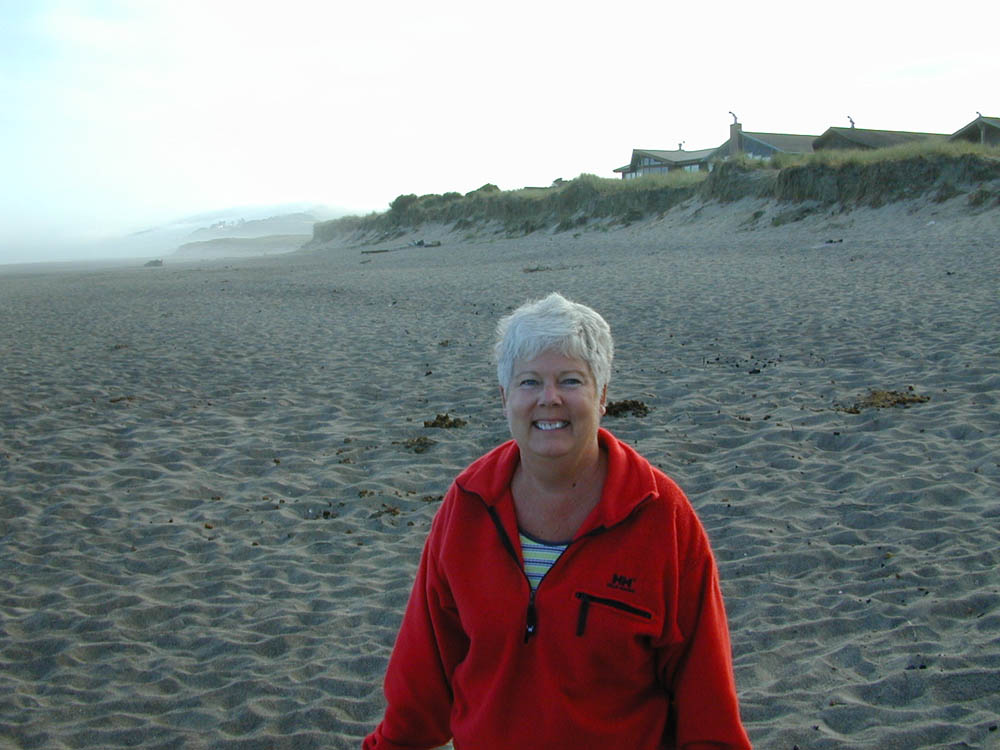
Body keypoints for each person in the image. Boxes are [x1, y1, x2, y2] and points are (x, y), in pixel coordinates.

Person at [363, 292, 751, 750]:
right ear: (505, 397)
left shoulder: (662, 516)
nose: (549, 399)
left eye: (570, 381)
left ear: (601, 396)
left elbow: (708, 711)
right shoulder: (467, 507)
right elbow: (420, 688)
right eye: (529, 382)